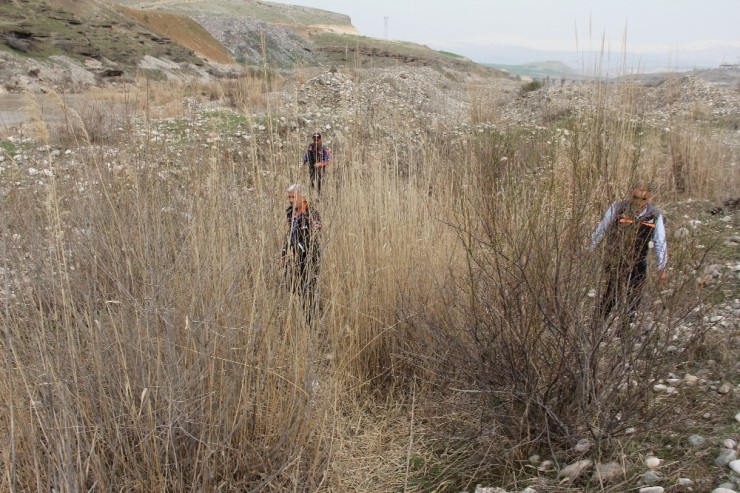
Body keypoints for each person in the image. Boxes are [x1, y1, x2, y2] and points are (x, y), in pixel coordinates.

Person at [590, 182, 668, 324]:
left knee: (634, 297)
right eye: (635, 197)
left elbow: (660, 242)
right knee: (611, 295)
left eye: (643, 199)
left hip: (639, 262)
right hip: (616, 260)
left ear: (649, 198)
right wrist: (590, 250)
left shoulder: (654, 216)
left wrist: (661, 267)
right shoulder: (618, 209)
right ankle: (597, 325)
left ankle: (624, 334)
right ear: (630, 195)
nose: (638, 202)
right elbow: (601, 230)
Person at [282, 183, 321, 318]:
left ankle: (311, 318)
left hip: (309, 257)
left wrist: (298, 248)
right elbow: (288, 234)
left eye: (293, 197)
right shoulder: (289, 212)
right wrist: (284, 252)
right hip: (293, 256)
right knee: (290, 285)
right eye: (289, 197)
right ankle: (300, 314)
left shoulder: (312, 213)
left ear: (302, 196)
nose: (291, 200)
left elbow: (313, 236)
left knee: (308, 288)